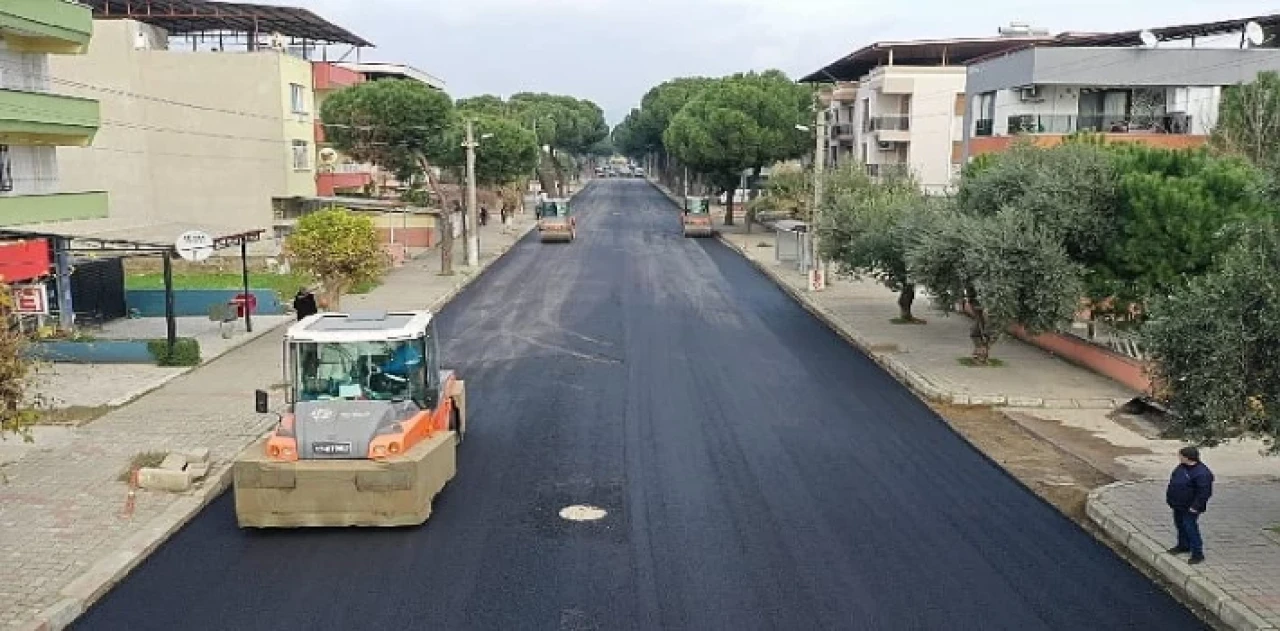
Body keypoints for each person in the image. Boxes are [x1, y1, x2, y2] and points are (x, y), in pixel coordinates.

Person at [1166, 446, 1214, 564]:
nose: (1179, 458)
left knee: (1190, 527)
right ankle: (1183, 545)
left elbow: (1204, 493)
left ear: (1187, 458)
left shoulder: (1202, 473)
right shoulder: (1181, 467)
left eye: (1181, 456)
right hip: (1178, 504)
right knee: (1180, 525)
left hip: (1190, 507)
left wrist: (1195, 507)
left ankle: (1197, 553)